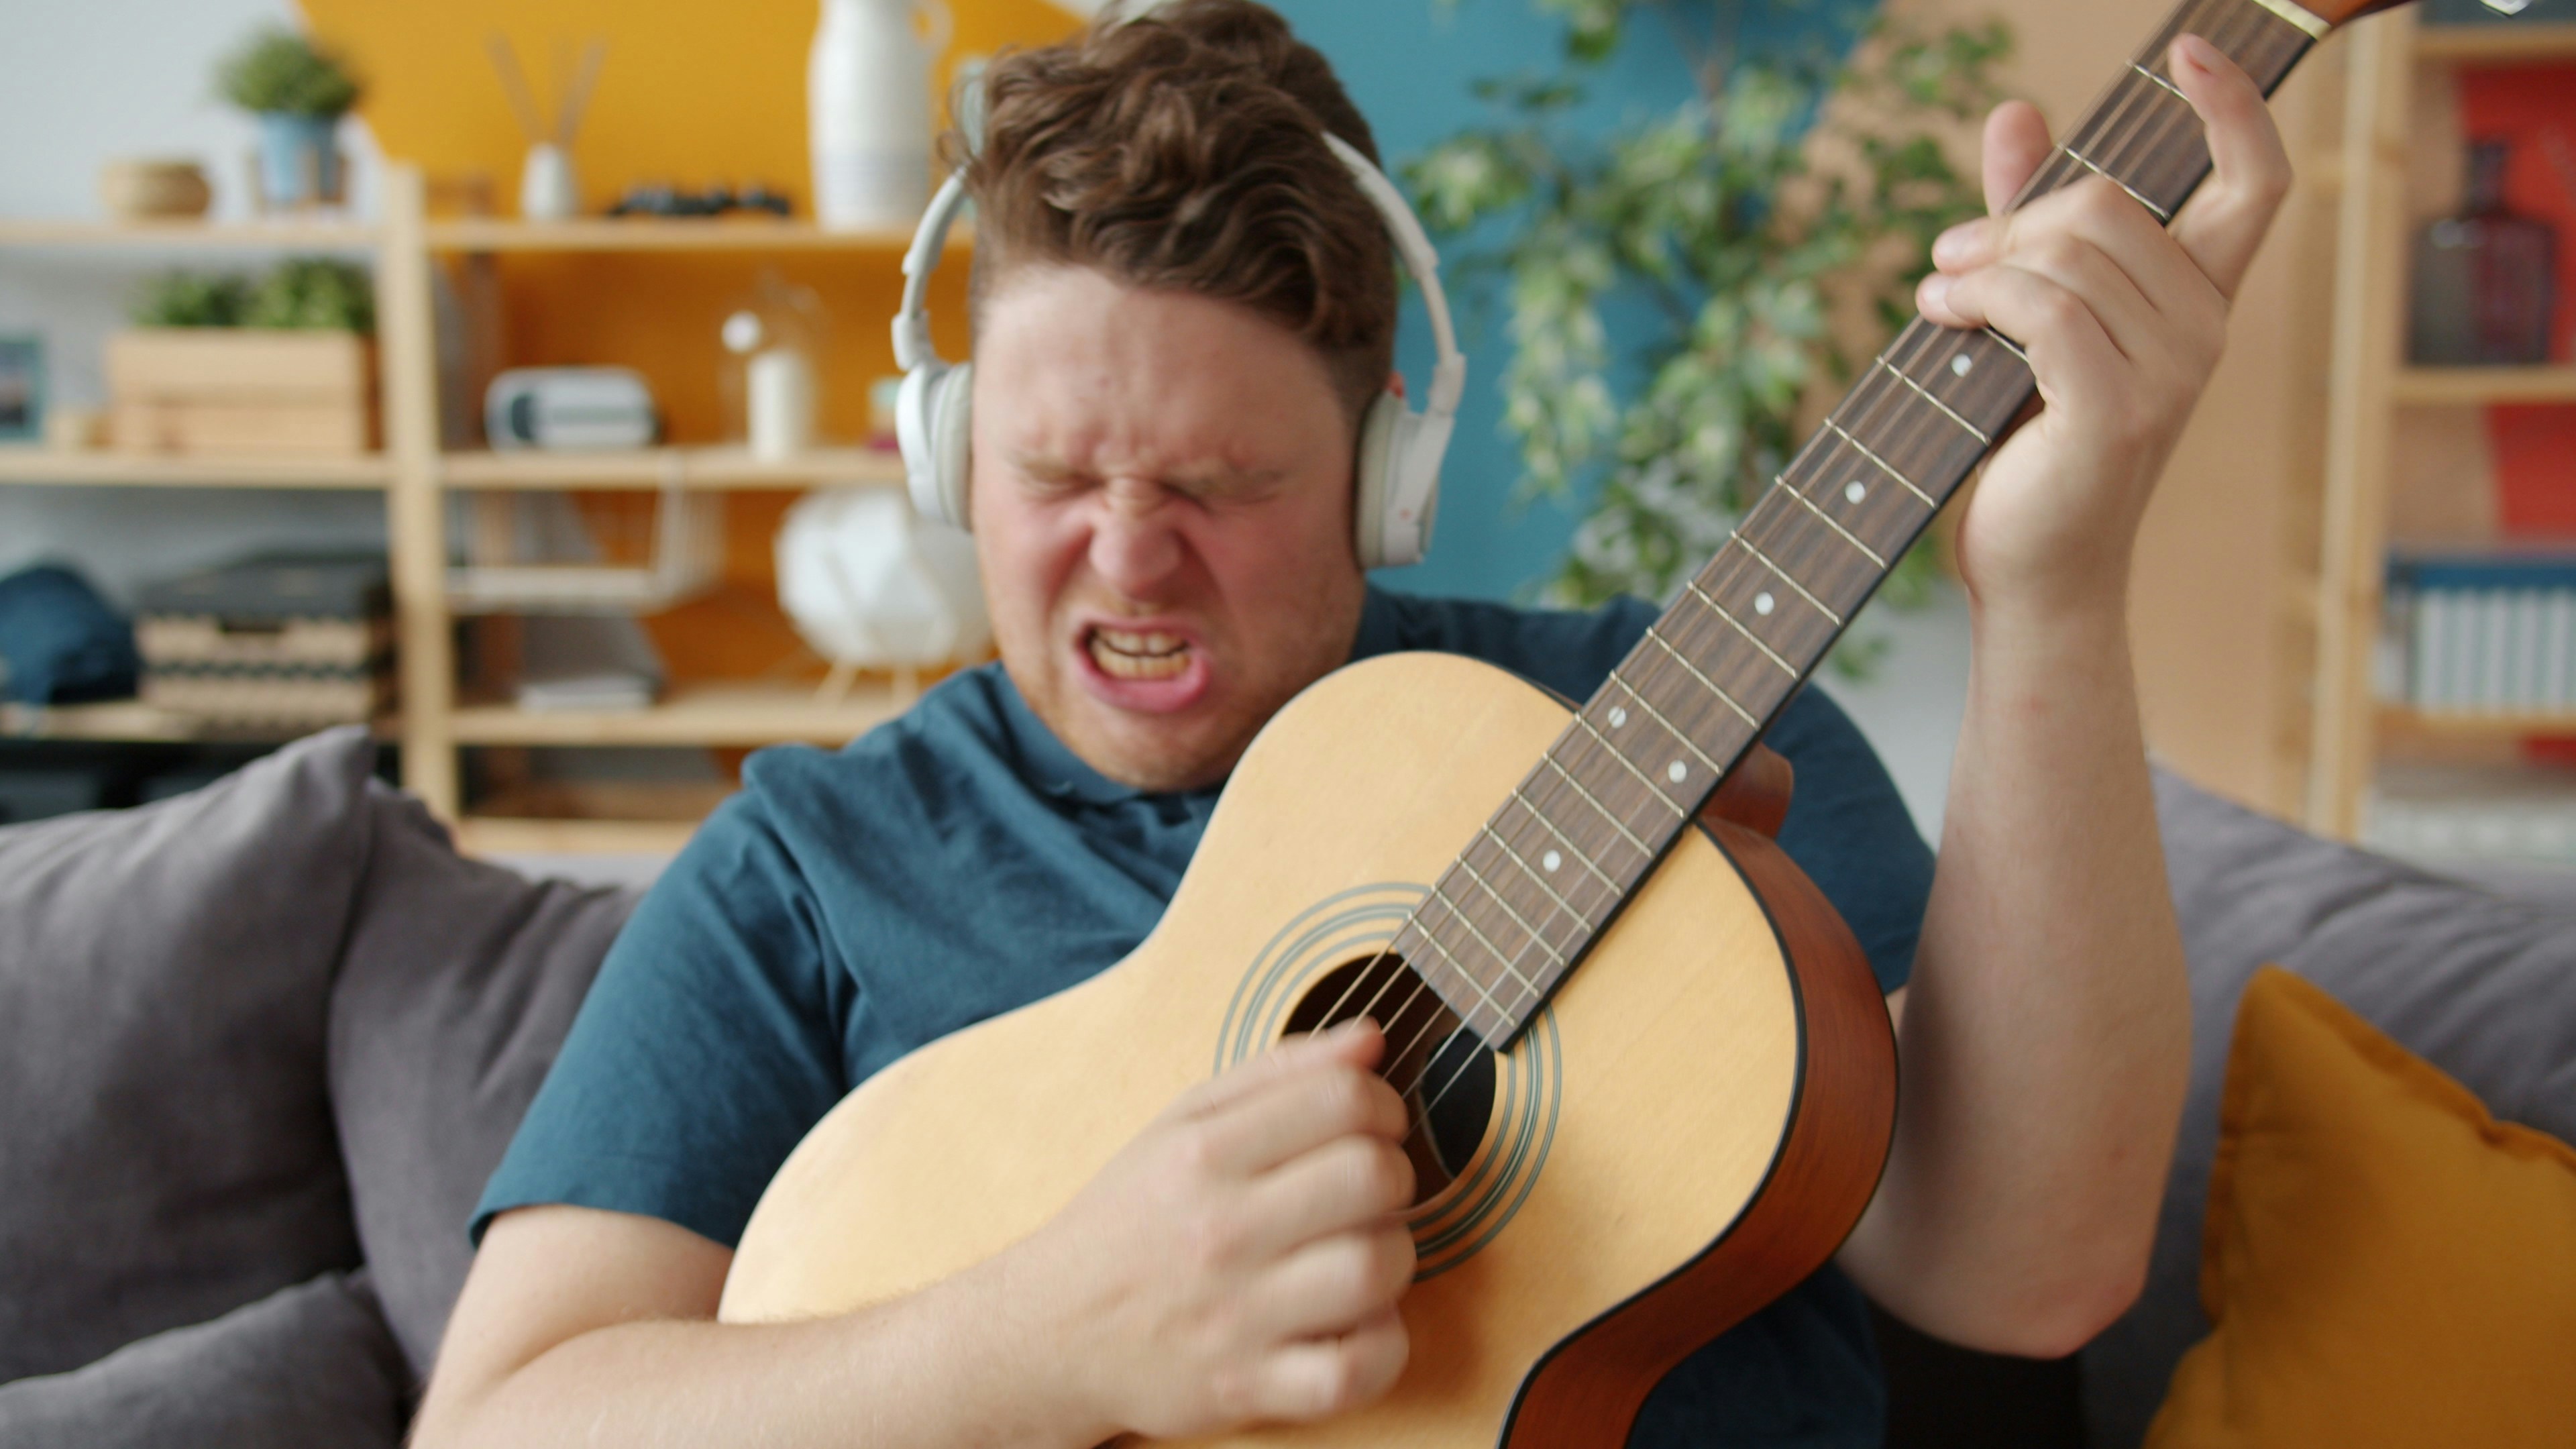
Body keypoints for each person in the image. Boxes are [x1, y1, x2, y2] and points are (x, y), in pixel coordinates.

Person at [411, 3, 2292, 1444]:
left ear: (1389, 478)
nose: (1128, 557)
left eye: (1222, 483)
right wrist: (1052, 1332)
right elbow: (499, 1425)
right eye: (1053, 472)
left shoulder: (1673, 724)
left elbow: (2027, 1273)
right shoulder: (811, 870)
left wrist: (2055, 588)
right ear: (945, 454)